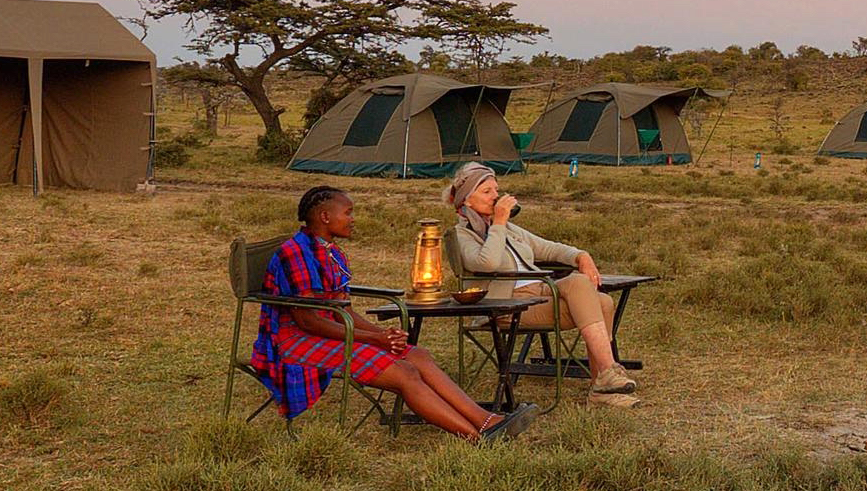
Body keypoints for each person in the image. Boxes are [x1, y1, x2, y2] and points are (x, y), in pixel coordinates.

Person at [255, 184, 520, 438]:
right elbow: (309, 322)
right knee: (405, 374)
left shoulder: (331, 253)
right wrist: (374, 339)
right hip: (295, 340)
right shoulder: (296, 253)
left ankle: (486, 420)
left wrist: (383, 334)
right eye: (347, 213)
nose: (353, 219)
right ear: (325, 216)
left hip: (331, 332)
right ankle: (476, 436)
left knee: (416, 354)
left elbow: (342, 311)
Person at [443, 161, 639, 399]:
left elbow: (549, 249)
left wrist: (581, 256)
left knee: (603, 301)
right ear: (466, 200)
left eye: (496, 190)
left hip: (538, 293)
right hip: (504, 306)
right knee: (581, 286)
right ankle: (608, 375)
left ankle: (604, 386)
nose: (496, 196)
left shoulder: (510, 230)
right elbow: (488, 263)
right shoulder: (462, 235)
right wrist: (499, 223)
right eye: (487, 192)